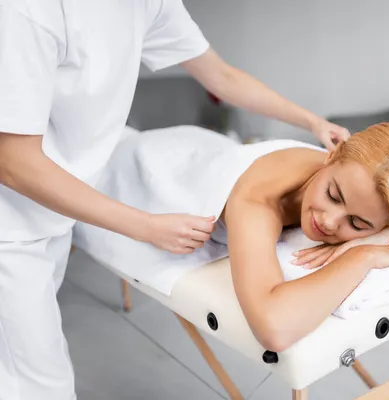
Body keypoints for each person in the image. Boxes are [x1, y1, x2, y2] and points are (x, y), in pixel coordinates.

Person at [0, 0, 349, 399]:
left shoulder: (147, 3)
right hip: (11, 218)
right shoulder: (30, 9)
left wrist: (311, 121)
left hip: (62, 199)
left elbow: (221, 76)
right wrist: (145, 226)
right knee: (39, 384)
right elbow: (13, 163)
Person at [78, 121, 389, 355]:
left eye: (357, 224)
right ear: (332, 155)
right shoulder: (259, 198)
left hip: (197, 147)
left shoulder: (375, 196)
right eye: (332, 194)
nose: (328, 222)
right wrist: (361, 256)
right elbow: (274, 328)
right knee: (101, 151)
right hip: (148, 167)